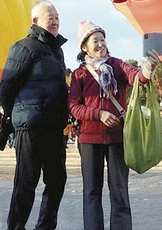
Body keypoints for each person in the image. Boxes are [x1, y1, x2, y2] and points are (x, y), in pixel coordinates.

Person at [67, 19, 156, 230]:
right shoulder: (79, 74)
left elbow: (137, 77)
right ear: (84, 47)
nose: (100, 44)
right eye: (95, 41)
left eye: (102, 39)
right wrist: (99, 113)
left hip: (117, 138)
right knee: (91, 192)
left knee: (119, 190)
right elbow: (73, 106)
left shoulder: (117, 65)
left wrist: (148, 68)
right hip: (90, 140)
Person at [0, 0, 69, 230]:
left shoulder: (56, 50)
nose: (55, 20)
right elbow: (6, 88)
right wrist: (18, 116)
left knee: (57, 180)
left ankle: (45, 226)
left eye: (57, 16)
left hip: (55, 126)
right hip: (31, 126)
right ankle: (16, 227)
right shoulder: (23, 47)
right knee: (26, 182)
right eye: (50, 17)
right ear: (36, 21)